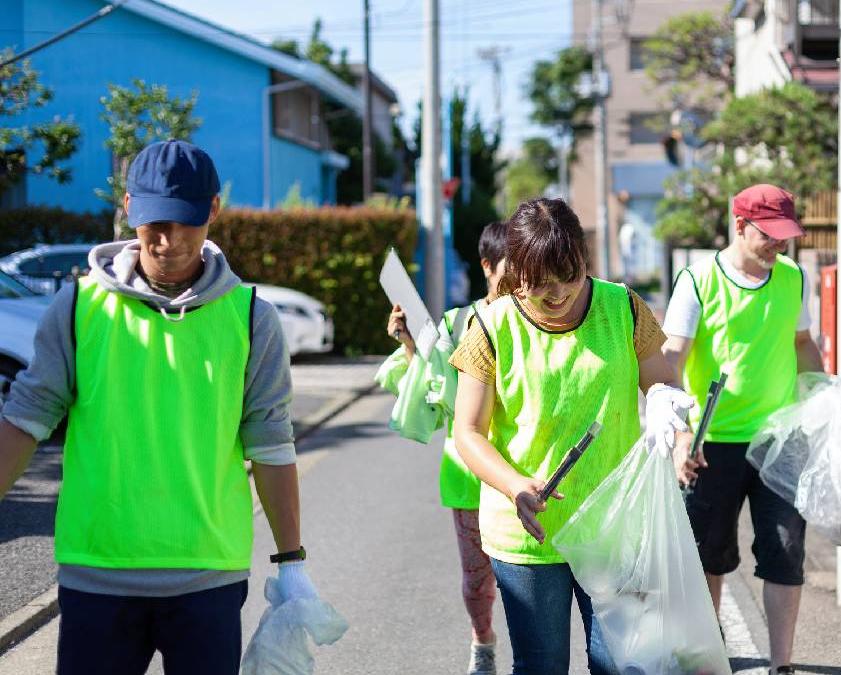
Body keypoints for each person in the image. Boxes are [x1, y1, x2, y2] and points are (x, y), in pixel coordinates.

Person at [0, 141, 320, 675]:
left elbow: (270, 440)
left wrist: (291, 561)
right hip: (97, 572)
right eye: (153, 225)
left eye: (185, 225)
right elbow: (24, 419)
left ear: (213, 211)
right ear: (128, 208)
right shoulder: (79, 307)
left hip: (207, 576)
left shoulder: (248, 317)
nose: (167, 242)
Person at [449, 198, 694, 674]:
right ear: (515, 275)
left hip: (612, 525)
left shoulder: (622, 307)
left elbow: (659, 380)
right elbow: (468, 431)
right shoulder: (490, 326)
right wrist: (515, 485)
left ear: (584, 261)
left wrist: (666, 400)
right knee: (541, 666)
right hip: (527, 534)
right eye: (540, 288)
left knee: (618, 664)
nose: (558, 294)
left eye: (571, 278)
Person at [660, 184, 821, 675]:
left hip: (779, 438)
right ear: (739, 226)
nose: (778, 246)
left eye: (784, 237)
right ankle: (711, 655)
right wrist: (680, 432)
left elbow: (802, 343)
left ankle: (782, 664)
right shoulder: (698, 279)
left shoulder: (792, 278)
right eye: (768, 235)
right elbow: (672, 357)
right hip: (713, 443)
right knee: (710, 555)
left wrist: (824, 397)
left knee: (786, 551)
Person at [377, 220, 508, 674]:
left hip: (525, 474)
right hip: (469, 475)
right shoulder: (457, 323)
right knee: (477, 580)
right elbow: (436, 393)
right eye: (511, 268)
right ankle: (483, 641)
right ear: (487, 267)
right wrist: (410, 342)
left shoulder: (540, 320)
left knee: (526, 580)